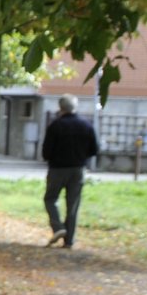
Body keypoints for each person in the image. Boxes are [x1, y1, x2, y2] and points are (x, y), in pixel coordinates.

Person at [42, 94, 99, 248]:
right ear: (75, 107)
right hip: (78, 169)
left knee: (50, 199)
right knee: (72, 205)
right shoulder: (86, 125)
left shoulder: (55, 126)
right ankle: (69, 241)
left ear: (60, 108)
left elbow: (46, 152)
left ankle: (58, 228)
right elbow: (94, 149)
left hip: (57, 169)